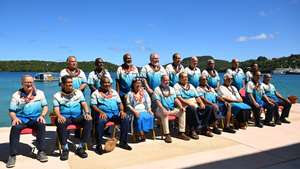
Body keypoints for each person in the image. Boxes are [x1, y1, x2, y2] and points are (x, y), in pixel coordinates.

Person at [6, 75, 48, 168]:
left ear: (33, 82)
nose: (29, 84)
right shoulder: (16, 95)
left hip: (35, 119)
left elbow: (45, 106)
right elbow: (11, 111)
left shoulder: (40, 93)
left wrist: (42, 115)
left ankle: (41, 151)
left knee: (41, 125)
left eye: (31, 82)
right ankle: (12, 155)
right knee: (15, 128)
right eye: (26, 82)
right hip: (21, 119)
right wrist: (15, 118)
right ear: (22, 83)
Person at [53, 75, 92, 160]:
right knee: (60, 122)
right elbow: (56, 108)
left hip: (77, 117)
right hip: (65, 117)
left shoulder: (78, 92)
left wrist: (87, 113)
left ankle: (80, 147)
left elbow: (84, 104)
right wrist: (59, 116)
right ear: (62, 84)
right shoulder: (57, 95)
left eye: (71, 82)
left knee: (88, 121)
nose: (70, 84)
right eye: (68, 83)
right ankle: (65, 149)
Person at [91, 76, 132, 155]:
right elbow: (93, 105)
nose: (107, 84)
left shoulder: (114, 92)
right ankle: (98, 145)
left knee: (126, 118)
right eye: (104, 82)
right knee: (100, 122)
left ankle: (123, 142)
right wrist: (100, 112)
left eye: (108, 82)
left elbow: (119, 103)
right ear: (100, 83)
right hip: (104, 114)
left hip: (116, 113)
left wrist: (122, 111)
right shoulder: (95, 93)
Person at [174, 72, 213, 138]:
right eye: (183, 77)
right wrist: (188, 103)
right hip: (184, 105)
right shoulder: (176, 86)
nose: (185, 78)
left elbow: (197, 96)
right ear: (180, 78)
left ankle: (204, 128)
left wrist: (201, 103)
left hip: (195, 103)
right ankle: (193, 130)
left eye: (186, 77)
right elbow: (179, 98)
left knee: (209, 108)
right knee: (192, 108)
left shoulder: (191, 86)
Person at [154, 75, 190, 143]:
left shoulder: (171, 89)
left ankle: (181, 132)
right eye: (165, 80)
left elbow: (175, 99)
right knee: (164, 114)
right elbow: (157, 101)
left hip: (171, 109)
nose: (167, 82)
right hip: (160, 109)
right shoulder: (157, 89)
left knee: (182, 111)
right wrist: (163, 109)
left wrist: (180, 107)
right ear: (161, 81)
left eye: (168, 80)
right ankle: (167, 134)